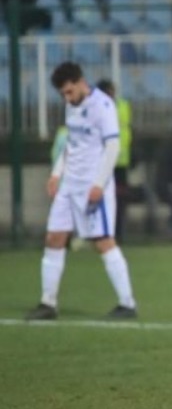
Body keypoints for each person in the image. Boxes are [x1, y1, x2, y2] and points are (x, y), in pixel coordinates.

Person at [26, 61, 137, 320]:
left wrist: (99, 183)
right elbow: (71, 145)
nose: (67, 98)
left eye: (69, 92)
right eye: (63, 94)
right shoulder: (71, 106)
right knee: (54, 238)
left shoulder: (103, 106)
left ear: (80, 82)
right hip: (69, 186)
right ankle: (48, 303)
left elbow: (112, 147)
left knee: (103, 242)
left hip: (92, 187)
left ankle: (127, 303)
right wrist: (56, 174)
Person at [96, 79, 132, 243]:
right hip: (103, 164)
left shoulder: (123, 106)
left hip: (120, 163)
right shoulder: (95, 109)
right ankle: (104, 233)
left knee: (119, 200)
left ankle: (118, 234)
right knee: (102, 199)